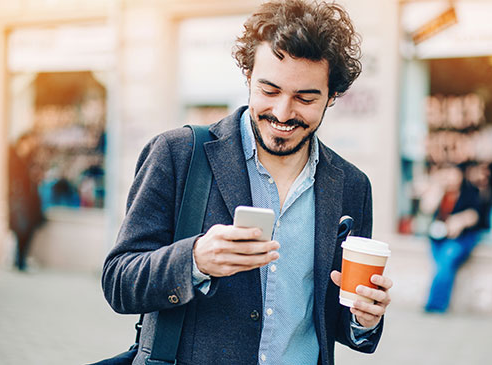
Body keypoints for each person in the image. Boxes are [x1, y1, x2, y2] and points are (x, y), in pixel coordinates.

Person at [102, 1, 393, 364]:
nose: (283, 113)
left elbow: (338, 318)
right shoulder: (177, 154)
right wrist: (195, 260)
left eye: (305, 98)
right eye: (269, 91)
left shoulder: (352, 185)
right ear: (248, 77)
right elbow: (119, 282)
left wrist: (365, 318)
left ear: (332, 96)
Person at [420, 163, 482, 313]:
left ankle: (435, 305)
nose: (449, 178)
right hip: (438, 238)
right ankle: (436, 304)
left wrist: (459, 221)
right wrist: (437, 189)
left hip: (460, 239)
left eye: (452, 174)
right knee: (442, 267)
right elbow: (426, 209)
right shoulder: (441, 193)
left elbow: (475, 215)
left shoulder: (470, 192)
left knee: (445, 264)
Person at [8, 133, 44, 271]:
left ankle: (20, 260)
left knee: (27, 231)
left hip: (29, 202)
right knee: (20, 230)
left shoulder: (30, 159)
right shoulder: (14, 159)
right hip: (19, 202)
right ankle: (18, 260)